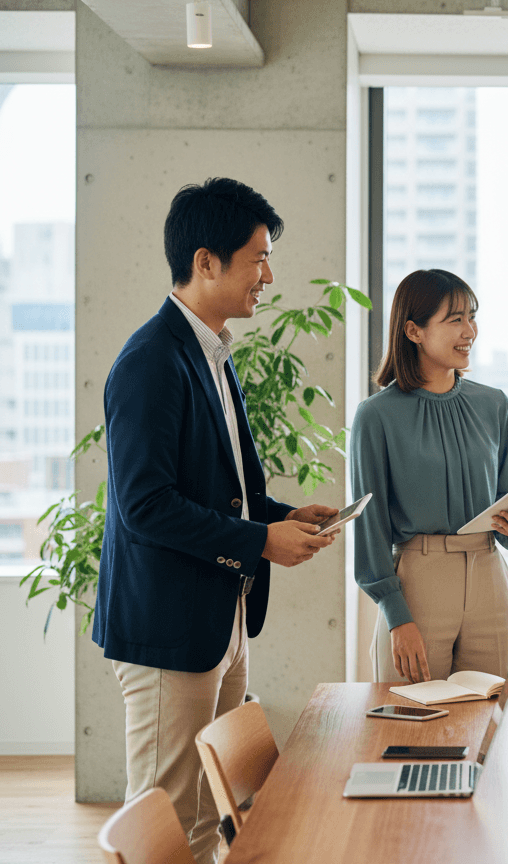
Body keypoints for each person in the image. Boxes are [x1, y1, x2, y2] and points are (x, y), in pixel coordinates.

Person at [92, 177, 338, 864]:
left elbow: (216, 491)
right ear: (206, 262)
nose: (269, 275)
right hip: (170, 627)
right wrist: (262, 541)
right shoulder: (151, 361)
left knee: (212, 816)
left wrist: (284, 517)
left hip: (218, 615)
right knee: (172, 819)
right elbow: (145, 507)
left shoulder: (211, 351)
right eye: (258, 257)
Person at [351, 269, 508, 685]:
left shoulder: (494, 404)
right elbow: (370, 529)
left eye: (472, 317)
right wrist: (398, 619)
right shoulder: (377, 416)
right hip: (419, 581)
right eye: (455, 320)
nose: (470, 330)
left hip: (489, 573)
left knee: (487, 720)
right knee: (409, 726)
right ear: (414, 331)